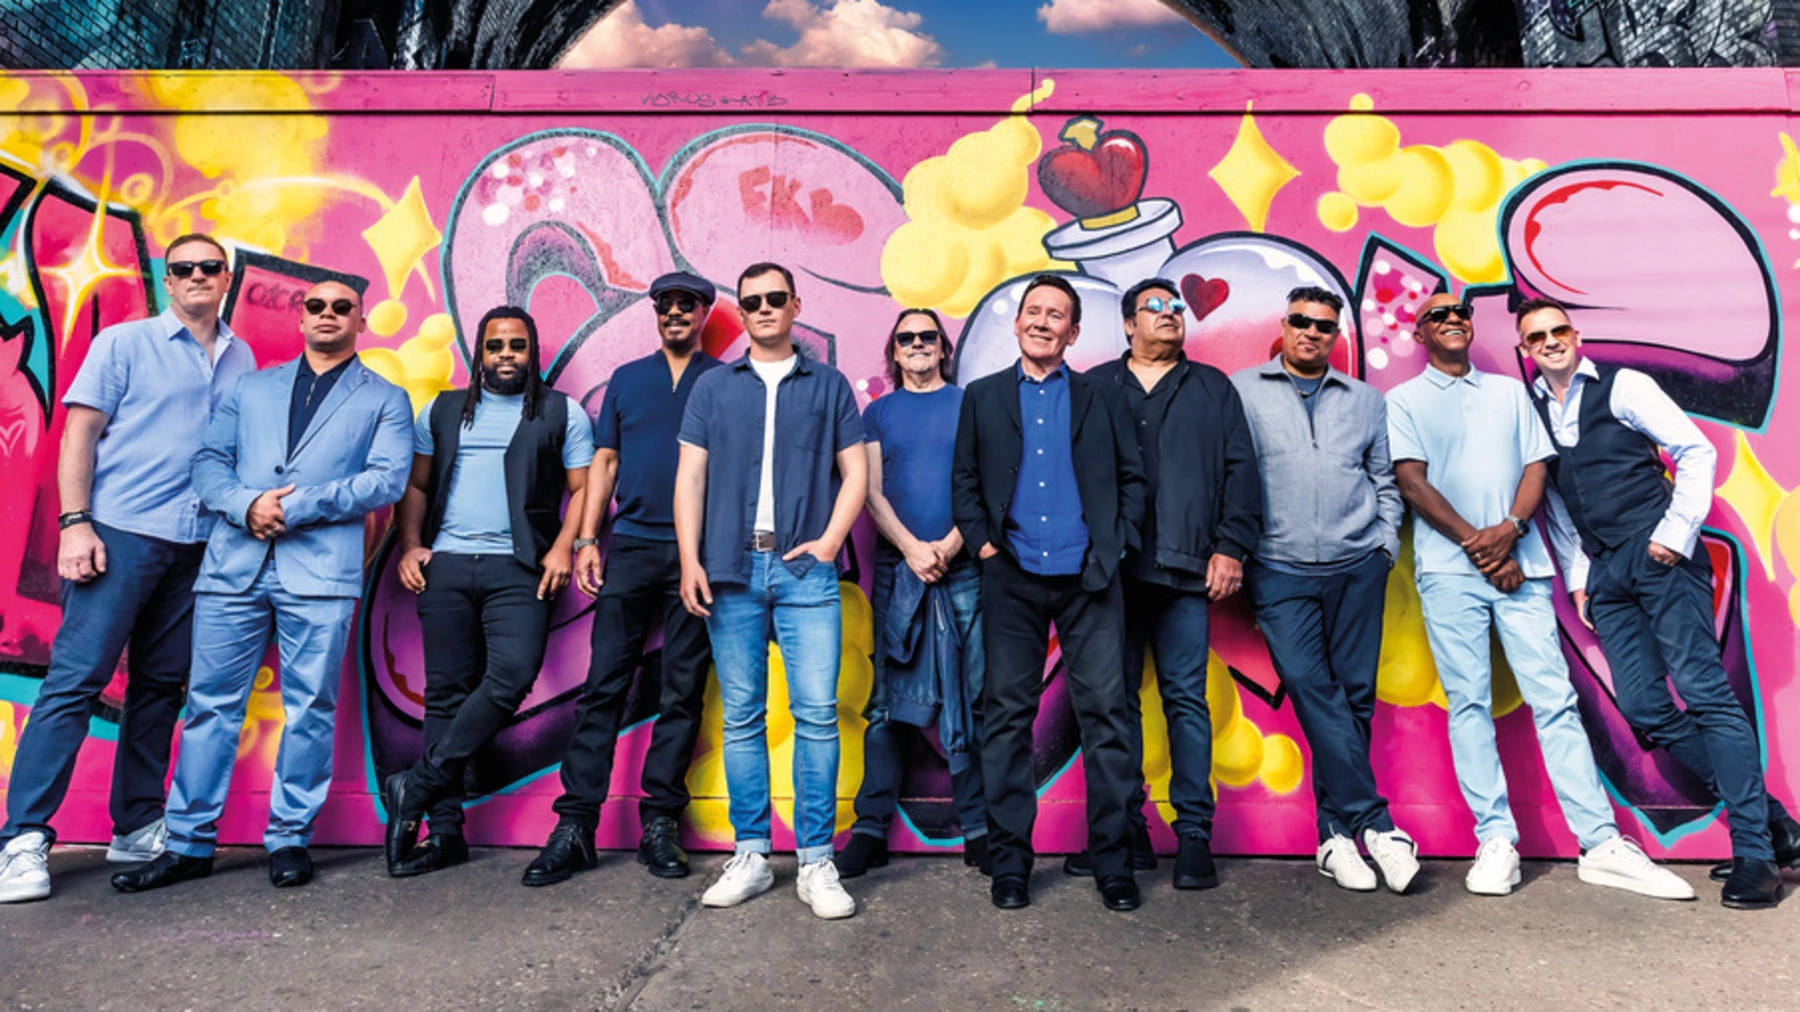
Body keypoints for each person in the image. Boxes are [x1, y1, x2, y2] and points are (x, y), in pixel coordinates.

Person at [110, 282, 412, 893]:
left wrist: (294, 508)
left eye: (342, 308)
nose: (327, 315)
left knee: (311, 709)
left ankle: (289, 838)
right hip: (233, 569)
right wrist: (245, 505)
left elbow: (386, 480)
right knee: (209, 706)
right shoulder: (252, 387)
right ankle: (189, 843)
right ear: (301, 318)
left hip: (320, 576)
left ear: (360, 322)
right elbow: (207, 462)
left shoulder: (386, 398)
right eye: (316, 306)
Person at [1388, 293, 1692, 900]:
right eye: (1438, 315)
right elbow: (1411, 482)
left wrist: (1509, 533)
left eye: (1460, 312)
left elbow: (1535, 469)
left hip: (1522, 569)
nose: (1453, 319)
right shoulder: (1404, 400)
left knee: (1554, 702)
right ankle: (1496, 839)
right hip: (1449, 573)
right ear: (1420, 334)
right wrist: (1480, 547)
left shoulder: (1510, 393)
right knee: (1469, 705)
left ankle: (1598, 843)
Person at [1520, 296, 1800, 909]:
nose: (1550, 341)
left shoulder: (1623, 386)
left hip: (1659, 553)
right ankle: (1776, 822)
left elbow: (1696, 451)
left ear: (1576, 335)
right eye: (1537, 336)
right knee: (1645, 706)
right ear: (1526, 349)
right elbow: (1558, 506)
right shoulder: (1534, 410)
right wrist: (1579, 577)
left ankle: (1757, 855)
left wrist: (1674, 535)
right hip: (1607, 572)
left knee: (1704, 692)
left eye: (1558, 330)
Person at [0, 235, 256, 904]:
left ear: (225, 278)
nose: (196, 276)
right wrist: (75, 522)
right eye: (183, 268)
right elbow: (79, 433)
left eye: (209, 267)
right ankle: (22, 839)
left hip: (197, 544)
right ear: (168, 280)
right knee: (75, 683)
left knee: (161, 688)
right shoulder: (124, 344)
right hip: (119, 535)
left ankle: (138, 824)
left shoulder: (242, 357)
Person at [674, 262, 867, 920]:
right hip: (730, 567)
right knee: (742, 716)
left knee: (816, 715)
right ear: (742, 310)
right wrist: (690, 560)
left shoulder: (829, 386)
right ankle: (751, 854)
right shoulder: (713, 388)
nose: (762, 308)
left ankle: (816, 861)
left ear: (794, 306)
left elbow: (856, 473)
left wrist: (831, 542)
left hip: (805, 570)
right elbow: (690, 478)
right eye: (751, 300)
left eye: (774, 298)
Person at [952, 273, 1146, 912]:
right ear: (1017, 325)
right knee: (1007, 721)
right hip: (1012, 577)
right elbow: (965, 482)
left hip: (1090, 580)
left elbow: (1132, 479)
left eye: (1055, 314)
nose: (1041, 321)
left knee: (1106, 718)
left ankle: (1113, 863)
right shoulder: (982, 397)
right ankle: (1010, 865)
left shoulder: (1102, 397)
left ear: (1073, 331)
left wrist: (1115, 548)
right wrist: (985, 548)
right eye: (1032, 311)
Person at [381, 306, 593, 878]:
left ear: (532, 351)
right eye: (495, 345)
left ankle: (417, 785)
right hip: (447, 565)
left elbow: (583, 488)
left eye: (517, 345)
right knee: (445, 694)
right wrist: (410, 546)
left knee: (511, 676)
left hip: (520, 568)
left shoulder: (561, 413)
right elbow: (417, 484)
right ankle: (444, 833)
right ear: (479, 352)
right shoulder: (442, 409)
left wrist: (564, 548)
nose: (506, 355)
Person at [527, 271, 720, 886]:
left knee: (681, 692)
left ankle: (660, 822)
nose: (674, 314)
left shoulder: (724, 381)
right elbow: (604, 463)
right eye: (665, 306)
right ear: (656, 314)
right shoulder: (628, 380)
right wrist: (587, 539)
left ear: (703, 314)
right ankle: (575, 825)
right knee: (603, 687)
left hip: (697, 555)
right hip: (631, 548)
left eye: (686, 305)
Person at [1230, 286, 1417, 894]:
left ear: (1337, 336)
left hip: (1357, 565)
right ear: (1284, 326)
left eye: (1324, 326)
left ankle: (1335, 837)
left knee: (1355, 695)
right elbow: (1228, 475)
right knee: (1313, 688)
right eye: (1302, 321)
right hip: (1278, 568)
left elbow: (1384, 479)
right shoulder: (1241, 391)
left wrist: (1383, 547)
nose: (1312, 332)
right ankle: (1377, 824)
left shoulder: (1364, 400)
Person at [1076, 278, 1260, 891]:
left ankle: (1194, 836)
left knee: (1186, 701)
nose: (1170, 314)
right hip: (1112, 575)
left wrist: (1231, 547)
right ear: (1129, 324)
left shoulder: (1212, 388)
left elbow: (1241, 471)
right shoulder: (1095, 387)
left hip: (1185, 572)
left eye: (1176, 306)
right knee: (1115, 703)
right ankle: (1123, 832)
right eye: (1154, 307)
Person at [837, 308, 990, 880]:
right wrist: (912, 550)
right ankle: (870, 831)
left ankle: (979, 829)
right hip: (898, 574)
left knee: (972, 698)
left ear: (943, 348)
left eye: (928, 336)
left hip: (963, 570)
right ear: (895, 351)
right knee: (885, 705)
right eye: (907, 338)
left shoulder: (971, 405)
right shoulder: (877, 413)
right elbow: (870, 491)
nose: (919, 344)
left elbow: (982, 486)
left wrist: (947, 547)